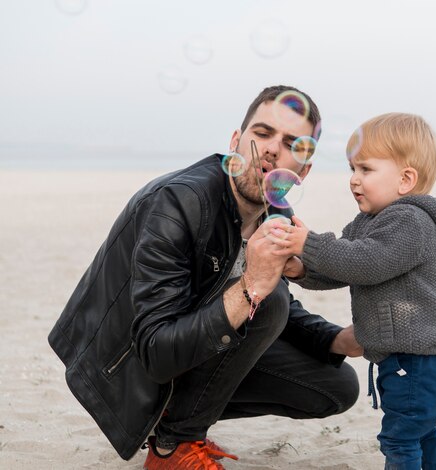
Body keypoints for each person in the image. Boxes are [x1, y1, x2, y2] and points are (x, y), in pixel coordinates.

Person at [48, 85, 362, 469]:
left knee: (336, 387)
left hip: (186, 345)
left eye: (292, 145)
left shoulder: (269, 214)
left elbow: (279, 307)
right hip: (124, 366)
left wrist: (336, 339)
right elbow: (156, 353)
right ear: (236, 140)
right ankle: (173, 446)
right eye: (262, 134)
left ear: (303, 170)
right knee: (266, 299)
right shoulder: (179, 203)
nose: (271, 149)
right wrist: (251, 287)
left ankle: (176, 415)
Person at [271, 112, 436, 469]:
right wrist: (303, 268)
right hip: (406, 359)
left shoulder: (409, 220)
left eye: (366, 169)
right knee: (420, 433)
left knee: (400, 437)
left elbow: (368, 261)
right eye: (352, 169)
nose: (354, 180)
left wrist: (309, 243)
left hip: (419, 362)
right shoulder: (371, 222)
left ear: (406, 179)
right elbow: (345, 265)